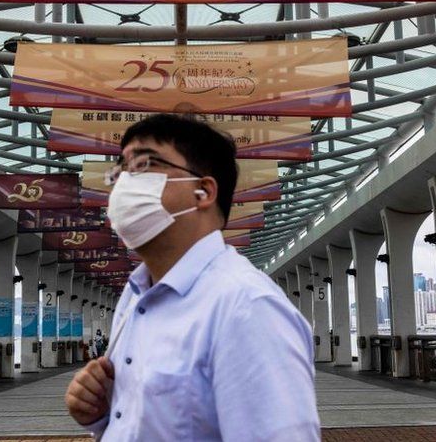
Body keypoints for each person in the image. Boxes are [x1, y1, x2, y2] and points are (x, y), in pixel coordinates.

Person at [64, 114, 320, 441]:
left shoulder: (246, 308)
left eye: (144, 164)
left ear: (203, 191)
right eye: (121, 170)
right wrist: (100, 415)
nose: (125, 181)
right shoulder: (135, 297)